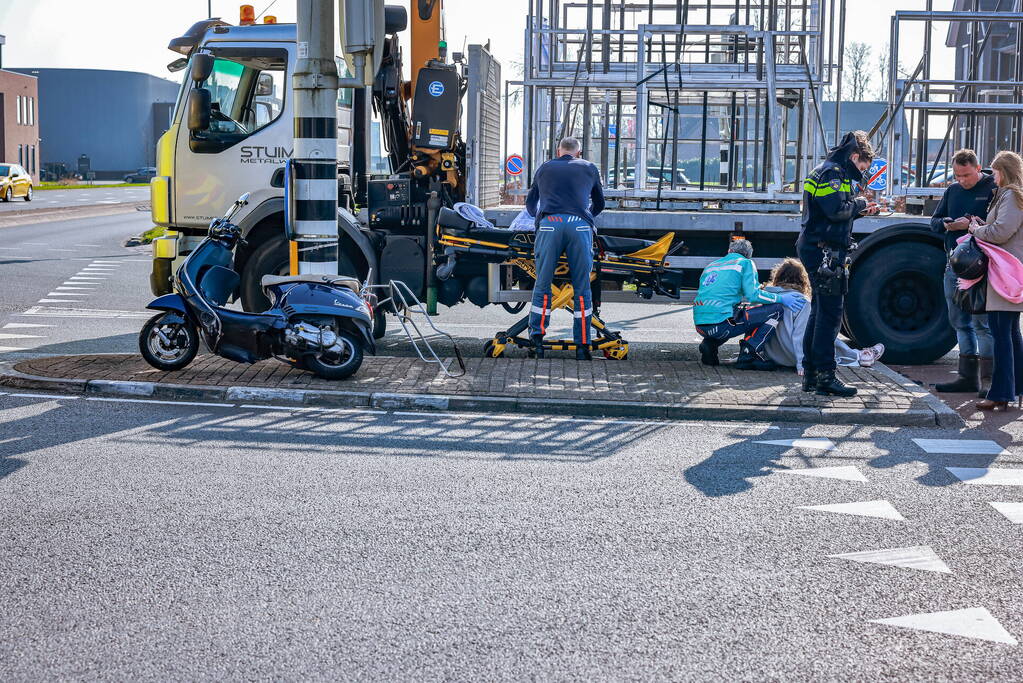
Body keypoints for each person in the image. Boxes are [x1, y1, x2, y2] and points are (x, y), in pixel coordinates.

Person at [798, 130, 881, 397]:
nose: (862, 173)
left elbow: (831, 212)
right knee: (830, 315)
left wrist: (857, 209)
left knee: (819, 312)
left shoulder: (826, 170)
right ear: (855, 157)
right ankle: (825, 376)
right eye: (863, 167)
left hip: (819, 247)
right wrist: (860, 203)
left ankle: (812, 375)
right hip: (824, 251)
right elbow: (835, 211)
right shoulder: (833, 174)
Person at [525, 136, 606, 360]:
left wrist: (540, 219)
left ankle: (537, 341)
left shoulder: (545, 168)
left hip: (550, 225)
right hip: (579, 226)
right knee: (582, 286)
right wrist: (585, 217)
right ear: (578, 152)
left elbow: (530, 204)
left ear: (558, 151)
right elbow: (599, 203)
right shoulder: (589, 168)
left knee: (543, 284)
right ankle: (582, 346)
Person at [930, 149, 997, 395]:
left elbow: (1000, 226)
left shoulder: (993, 189)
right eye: (957, 175)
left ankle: (988, 381)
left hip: (982, 266)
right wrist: (947, 224)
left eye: (966, 175)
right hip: (955, 264)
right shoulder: (952, 191)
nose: (962, 180)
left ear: (978, 168)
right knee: (959, 321)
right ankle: (967, 377)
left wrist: (971, 224)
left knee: (982, 323)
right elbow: (934, 222)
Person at [966, 151, 1023, 411]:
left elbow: (1001, 232)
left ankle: (1001, 393)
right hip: (1011, 271)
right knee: (1010, 333)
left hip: (1004, 273)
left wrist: (976, 229)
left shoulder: (1010, 195)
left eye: (995, 171)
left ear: (1005, 171)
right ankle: (1015, 388)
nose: (993, 176)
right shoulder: (1014, 195)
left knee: (1001, 333)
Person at [762, 258, 885, 377]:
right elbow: (800, 335)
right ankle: (861, 356)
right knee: (822, 335)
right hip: (792, 357)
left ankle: (857, 354)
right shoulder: (802, 302)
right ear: (802, 279)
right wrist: (802, 364)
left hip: (773, 356)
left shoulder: (767, 297)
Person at [694, 239, 805, 370]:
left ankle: (710, 344)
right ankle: (749, 354)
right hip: (722, 325)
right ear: (749, 255)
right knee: (775, 309)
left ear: (729, 251)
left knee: (736, 312)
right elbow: (753, 295)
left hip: (700, 326)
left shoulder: (711, 266)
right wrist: (781, 298)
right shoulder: (745, 263)